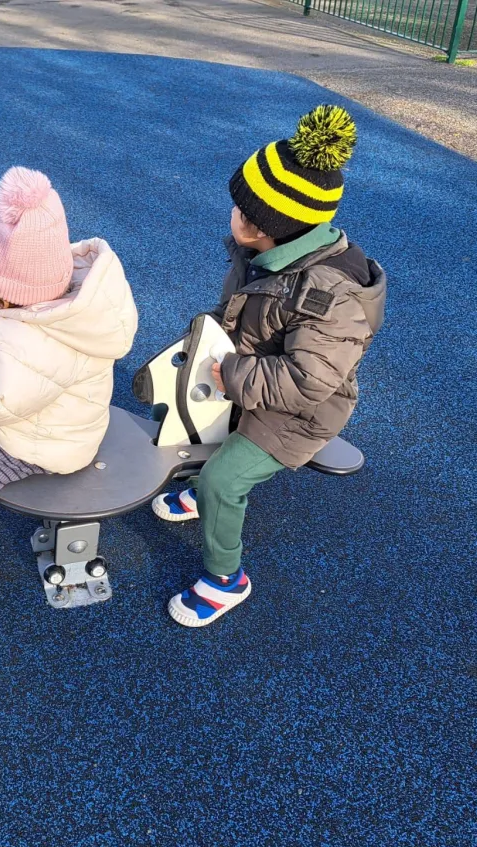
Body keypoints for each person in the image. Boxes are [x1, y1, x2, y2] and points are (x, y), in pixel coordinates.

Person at [152, 105, 387, 628]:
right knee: (195, 422)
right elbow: (243, 308)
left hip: (300, 412)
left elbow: (310, 382)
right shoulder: (264, 252)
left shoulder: (330, 294)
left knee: (222, 481)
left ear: (265, 227)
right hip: (254, 376)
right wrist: (211, 334)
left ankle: (225, 579)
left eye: (239, 211)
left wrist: (233, 372)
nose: (231, 217)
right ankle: (202, 489)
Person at [0, 166, 138, 612]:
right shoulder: (39, 307)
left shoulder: (34, 341)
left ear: (2, 293)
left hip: (46, 444)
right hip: (40, 416)